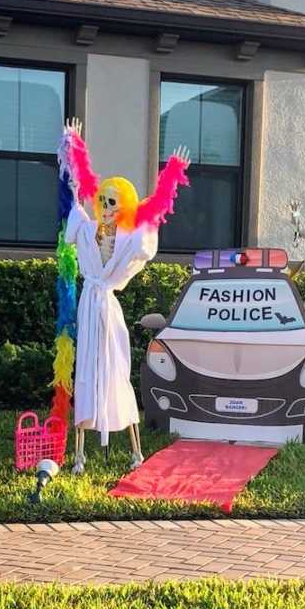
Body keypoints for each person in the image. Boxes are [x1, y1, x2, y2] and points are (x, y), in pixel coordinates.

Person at [60, 118, 191, 472]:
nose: (105, 205)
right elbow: (75, 198)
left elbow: (149, 229)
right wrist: (73, 150)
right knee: (86, 370)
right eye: (103, 199)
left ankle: (134, 449)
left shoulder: (133, 239)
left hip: (107, 309)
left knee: (115, 369)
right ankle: (81, 453)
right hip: (89, 308)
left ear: (125, 205)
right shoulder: (88, 233)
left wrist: (169, 178)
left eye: (112, 201)